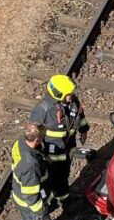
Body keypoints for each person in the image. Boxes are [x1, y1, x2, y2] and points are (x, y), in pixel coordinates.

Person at [29, 74, 89, 212]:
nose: (71, 96)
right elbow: (33, 135)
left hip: (66, 150)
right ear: (58, 94)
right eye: (68, 94)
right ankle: (49, 204)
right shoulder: (42, 110)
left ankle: (63, 199)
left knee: (63, 176)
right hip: (51, 156)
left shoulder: (72, 102)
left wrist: (84, 130)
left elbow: (80, 117)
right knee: (51, 180)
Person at [11, 123, 54, 220]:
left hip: (19, 195)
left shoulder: (19, 143)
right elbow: (31, 194)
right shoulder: (30, 165)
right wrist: (40, 212)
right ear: (37, 140)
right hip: (30, 203)